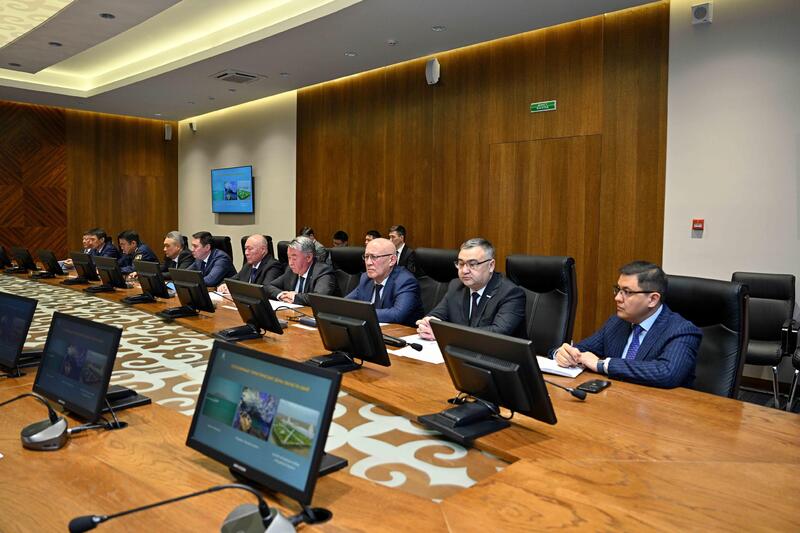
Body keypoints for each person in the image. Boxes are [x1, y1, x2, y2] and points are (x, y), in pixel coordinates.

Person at [554, 261, 702, 388]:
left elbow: (666, 373)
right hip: (618, 397)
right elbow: (580, 351)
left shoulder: (682, 330)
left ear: (653, 299)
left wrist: (603, 365)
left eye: (627, 292)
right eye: (618, 290)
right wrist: (562, 354)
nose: (617, 298)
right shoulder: (617, 323)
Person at [416, 238, 525, 340]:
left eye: (472, 264)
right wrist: (428, 324)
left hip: (498, 352)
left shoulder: (510, 293)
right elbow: (438, 315)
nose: (464, 270)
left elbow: (498, 332)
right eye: (461, 263)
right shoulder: (456, 286)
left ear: (491, 265)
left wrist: (444, 333)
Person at [345, 238, 424, 326]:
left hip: (401, 332)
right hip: (374, 330)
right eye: (366, 257)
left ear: (392, 260)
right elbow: (345, 304)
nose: (368, 262)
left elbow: (397, 314)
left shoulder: (405, 281)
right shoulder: (366, 278)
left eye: (374, 257)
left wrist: (361, 313)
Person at [266, 236, 337, 305]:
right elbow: (268, 286)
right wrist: (282, 295)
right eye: (289, 258)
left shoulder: (323, 272)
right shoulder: (291, 270)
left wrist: (294, 297)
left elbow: (319, 298)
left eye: (294, 259)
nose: (290, 263)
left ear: (308, 257)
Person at [217, 234, 284, 295]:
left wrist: (235, 290)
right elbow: (232, 280)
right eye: (245, 249)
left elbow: (265, 290)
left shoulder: (273, 266)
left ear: (263, 249)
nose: (246, 253)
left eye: (250, 249)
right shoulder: (248, 265)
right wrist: (224, 285)